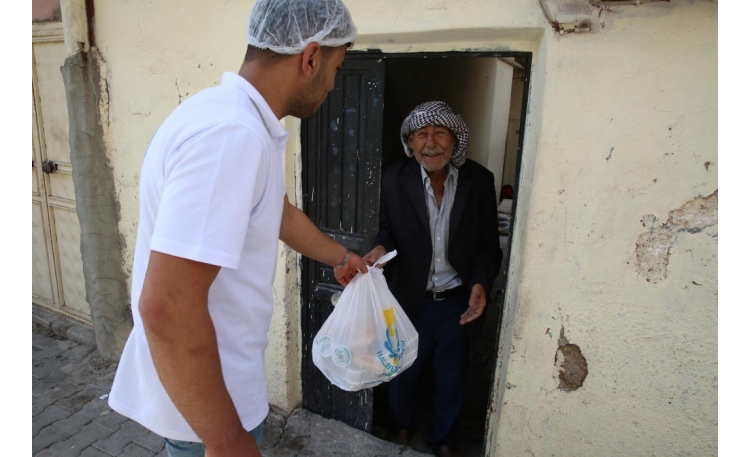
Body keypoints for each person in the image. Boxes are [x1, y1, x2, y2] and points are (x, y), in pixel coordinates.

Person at [108, 2, 365, 456]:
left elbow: (279, 215)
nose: (332, 83)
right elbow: (166, 306)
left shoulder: (229, 117)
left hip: (211, 394)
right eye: (336, 68)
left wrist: (341, 259)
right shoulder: (232, 136)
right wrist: (226, 440)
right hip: (211, 408)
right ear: (310, 58)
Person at [363, 101, 502, 457]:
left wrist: (480, 284)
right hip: (408, 297)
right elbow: (386, 231)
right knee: (402, 371)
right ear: (409, 142)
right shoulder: (393, 178)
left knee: (452, 375)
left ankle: (444, 438)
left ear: (455, 140)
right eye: (421, 135)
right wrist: (379, 251)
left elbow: (488, 245)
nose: (431, 143)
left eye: (440, 133)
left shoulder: (480, 180)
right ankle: (402, 426)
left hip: (456, 301)